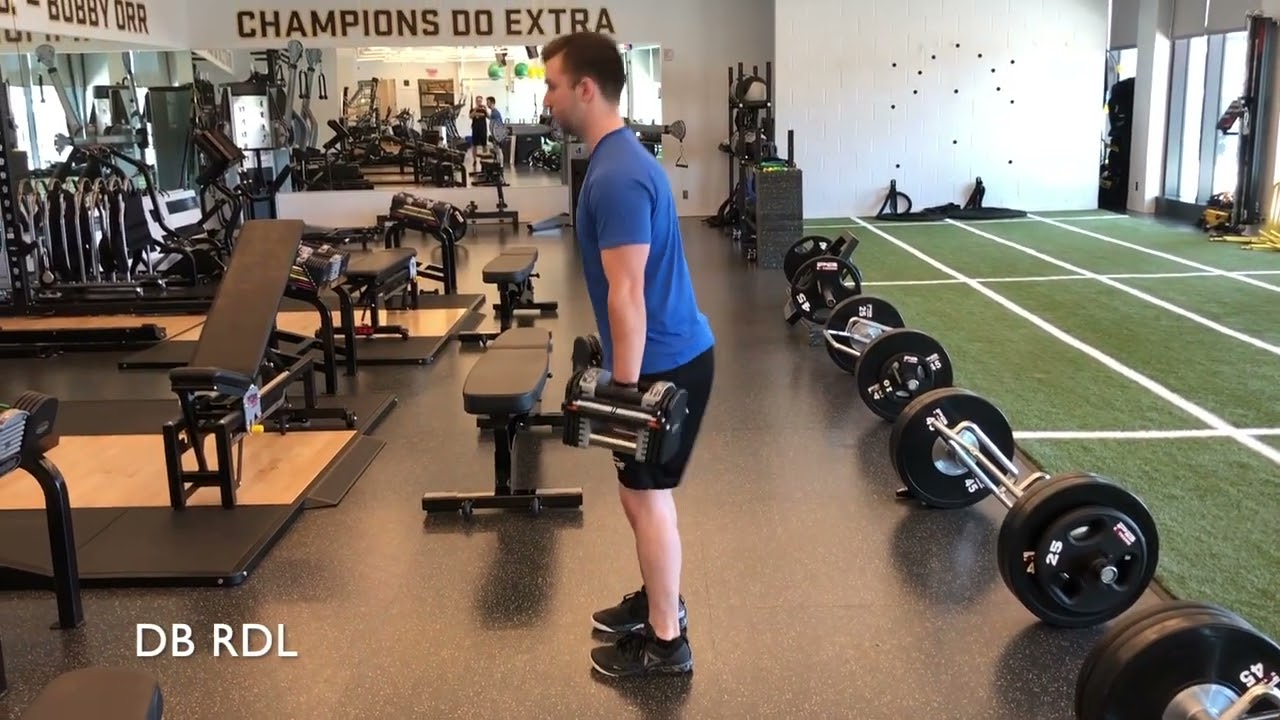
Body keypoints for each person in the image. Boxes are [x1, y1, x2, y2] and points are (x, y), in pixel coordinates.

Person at [540, 31, 715, 678]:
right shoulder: (615, 161)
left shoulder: (615, 176)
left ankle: (667, 642)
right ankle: (658, 596)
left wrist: (623, 389)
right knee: (637, 496)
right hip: (660, 356)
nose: (547, 98)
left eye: (553, 86)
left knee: (648, 501)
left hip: (662, 364)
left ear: (585, 89)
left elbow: (627, 293)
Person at [468, 96, 488, 171]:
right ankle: (474, 160)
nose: (479, 102)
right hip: (475, 129)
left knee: (484, 145)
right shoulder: (473, 109)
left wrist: (486, 109)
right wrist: (475, 109)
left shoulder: (483, 110)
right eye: (478, 101)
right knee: (474, 145)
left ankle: (484, 159)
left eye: (480, 101)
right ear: (476, 101)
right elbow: (470, 116)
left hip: (483, 129)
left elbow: (489, 116)